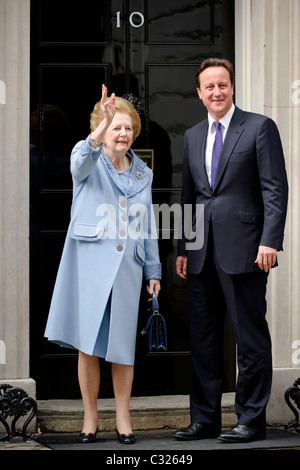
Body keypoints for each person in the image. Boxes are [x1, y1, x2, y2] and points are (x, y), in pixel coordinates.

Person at [174, 58, 288, 443]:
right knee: (203, 341)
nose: (217, 92)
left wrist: (270, 239)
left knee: (250, 337)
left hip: (246, 250)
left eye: (223, 85)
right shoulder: (191, 135)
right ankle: (204, 419)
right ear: (200, 93)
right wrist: (183, 248)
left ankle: (251, 418)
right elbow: (188, 196)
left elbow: (275, 188)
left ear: (232, 87)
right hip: (201, 252)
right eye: (209, 87)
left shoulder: (258, 127)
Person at [45, 85, 161, 444]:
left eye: (128, 128)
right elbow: (79, 159)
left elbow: (147, 223)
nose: (123, 133)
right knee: (89, 345)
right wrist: (102, 122)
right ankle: (90, 417)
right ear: (103, 130)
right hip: (90, 265)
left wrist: (153, 271)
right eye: (116, 127)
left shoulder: (143, 174)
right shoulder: (87, 161)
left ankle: (123, 418)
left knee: (123, 345)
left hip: (128, 265)